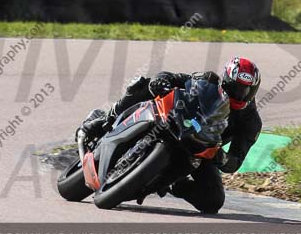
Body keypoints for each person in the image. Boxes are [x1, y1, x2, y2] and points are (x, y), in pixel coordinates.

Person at [79, 56, 262, 214]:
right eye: (234, 87)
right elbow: (176, 78)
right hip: (176, 119)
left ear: (252, 91)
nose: (238, 94)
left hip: (201, 148)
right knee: (143, 84)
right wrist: (161, 80)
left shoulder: (251, 123)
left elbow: (234, 162)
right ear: (225, 80)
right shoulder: (208, 81)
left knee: (213, 201)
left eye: (244, 90)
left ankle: (173, 183)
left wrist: (221, 157)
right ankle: (106, 120)